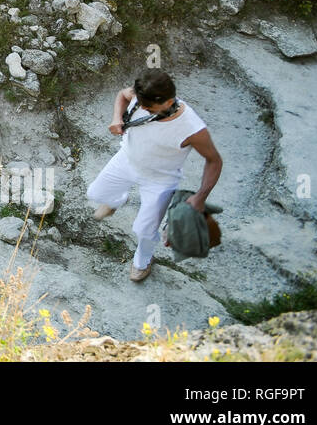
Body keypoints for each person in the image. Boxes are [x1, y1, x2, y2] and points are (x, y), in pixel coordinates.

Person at [86, 68, 223, 282]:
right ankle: (115, 201)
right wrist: (116, 118)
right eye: (140, 104)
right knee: (95, 193)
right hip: (126, 161)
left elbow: (214, 161)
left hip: (160, 180)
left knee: (144, 229)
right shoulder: (141, 95)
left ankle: (143, 260)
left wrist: (200, 198)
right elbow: (123, 95)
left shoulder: (193, 129)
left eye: (148, 108)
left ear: (168, 103)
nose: (142, 108)